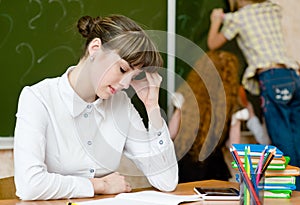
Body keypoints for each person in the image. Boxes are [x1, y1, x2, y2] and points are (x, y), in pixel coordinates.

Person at [13, 15, 178, 200]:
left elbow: (167, 181)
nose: (125, 84)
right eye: (123, 70)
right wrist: (99, 185)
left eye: (133, 77)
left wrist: (152, 107)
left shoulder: (121, 104)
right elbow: (30, 185)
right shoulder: (38, 99)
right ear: (95, 49)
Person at [208, 0, 300, 190]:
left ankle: (294, 192)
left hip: (272, 78)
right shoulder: (271, 9)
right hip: (292, 75)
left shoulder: (238, 18)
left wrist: (216, 20)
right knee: (297, 135)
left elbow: (212, 42)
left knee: (282, 140)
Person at [172, 50, 241, 183]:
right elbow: (234, 146)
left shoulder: (186, 98)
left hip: (183, 166)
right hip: (214, 169)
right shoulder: (231, 105)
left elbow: (172, 133)